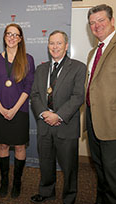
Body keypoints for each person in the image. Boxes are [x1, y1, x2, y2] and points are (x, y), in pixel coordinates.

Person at [30, 30, 86, 204]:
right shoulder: (41, 69)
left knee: (69, 166)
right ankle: (47, 191)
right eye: (52, 43)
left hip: (66, 125)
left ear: (66, 46)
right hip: (44, 123)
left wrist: (58, 116)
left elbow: (78, 96)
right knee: (46, 163)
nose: (55, 47)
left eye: (59, 43)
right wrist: (44, 113)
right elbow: (35, 95)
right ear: (48, 46)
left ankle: (69, 197)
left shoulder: (78, 67)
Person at [0, 23, 35, 199]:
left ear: (20, 38)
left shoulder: (28, 59)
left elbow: (28, 87)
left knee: (19, 146)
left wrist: (14, 109)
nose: (12, 37)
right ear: (4, 36)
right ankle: (4, 181)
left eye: (16, 35)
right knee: (3, 145)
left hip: (20, 111)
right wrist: (2, 109)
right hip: (0, 110)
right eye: (9, 34)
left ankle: (17, 182)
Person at [85, 4, 116, 204]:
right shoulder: (93, 52)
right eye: (92, 23)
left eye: (101, 20)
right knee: (100, 168)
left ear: (112, 21)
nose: (96, 26)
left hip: (111, 121)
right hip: (92, 118)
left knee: (113, 173)